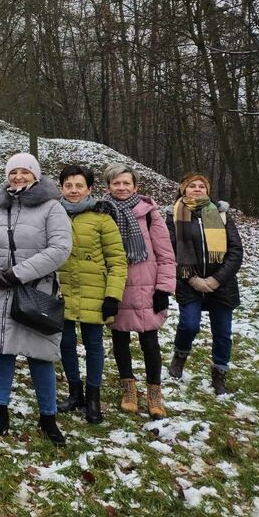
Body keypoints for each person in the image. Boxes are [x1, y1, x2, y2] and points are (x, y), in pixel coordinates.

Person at [0, 153, 72, 445]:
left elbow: (59, 249)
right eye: (13, 172)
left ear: (35, 175)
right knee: (2, 352)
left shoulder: (52, 208)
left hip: (35, 291)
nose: (18, 177)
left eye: (24, 172)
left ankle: (48, 417)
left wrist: (18, 274)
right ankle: (0, 412)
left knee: (40, 356)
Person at [101, 163, 176, 418]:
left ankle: (155, 393)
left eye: (126, 183)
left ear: (135, 186)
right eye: (116, 183)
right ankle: (128, 389)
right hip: (116, 285)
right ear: (108, 186)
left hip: (146, 287)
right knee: (120, 339)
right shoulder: (102, 212)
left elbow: (166, 254)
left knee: (150, 342)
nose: (121, 188)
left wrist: (163, 289)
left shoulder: (150, 213)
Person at [55, 165, 127, 423]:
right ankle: (75, 392)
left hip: (94, 291)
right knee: (65, 344)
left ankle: (93, 397)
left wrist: (112, 296)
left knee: (94, 345)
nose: (74, 191)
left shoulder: (102, 218)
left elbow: (117, 260)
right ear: (61, 188)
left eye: (79, 186)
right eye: (68, 186)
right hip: (61, 289)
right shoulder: (54, 214)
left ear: (89, 189)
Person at [166, 172, 243, 395]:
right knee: (189, 325)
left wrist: (216, 279)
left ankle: (219, 373)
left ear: (208, 191)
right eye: (192, 186)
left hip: (222, 283)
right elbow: (170, 252)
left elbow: (236, 250)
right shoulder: (173, 216)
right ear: (183, 189)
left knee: (222, 333)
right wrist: (193, 279)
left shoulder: (221, 214)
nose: (197, 189)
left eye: (202, 186)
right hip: (188, 281)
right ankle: (179, 356)